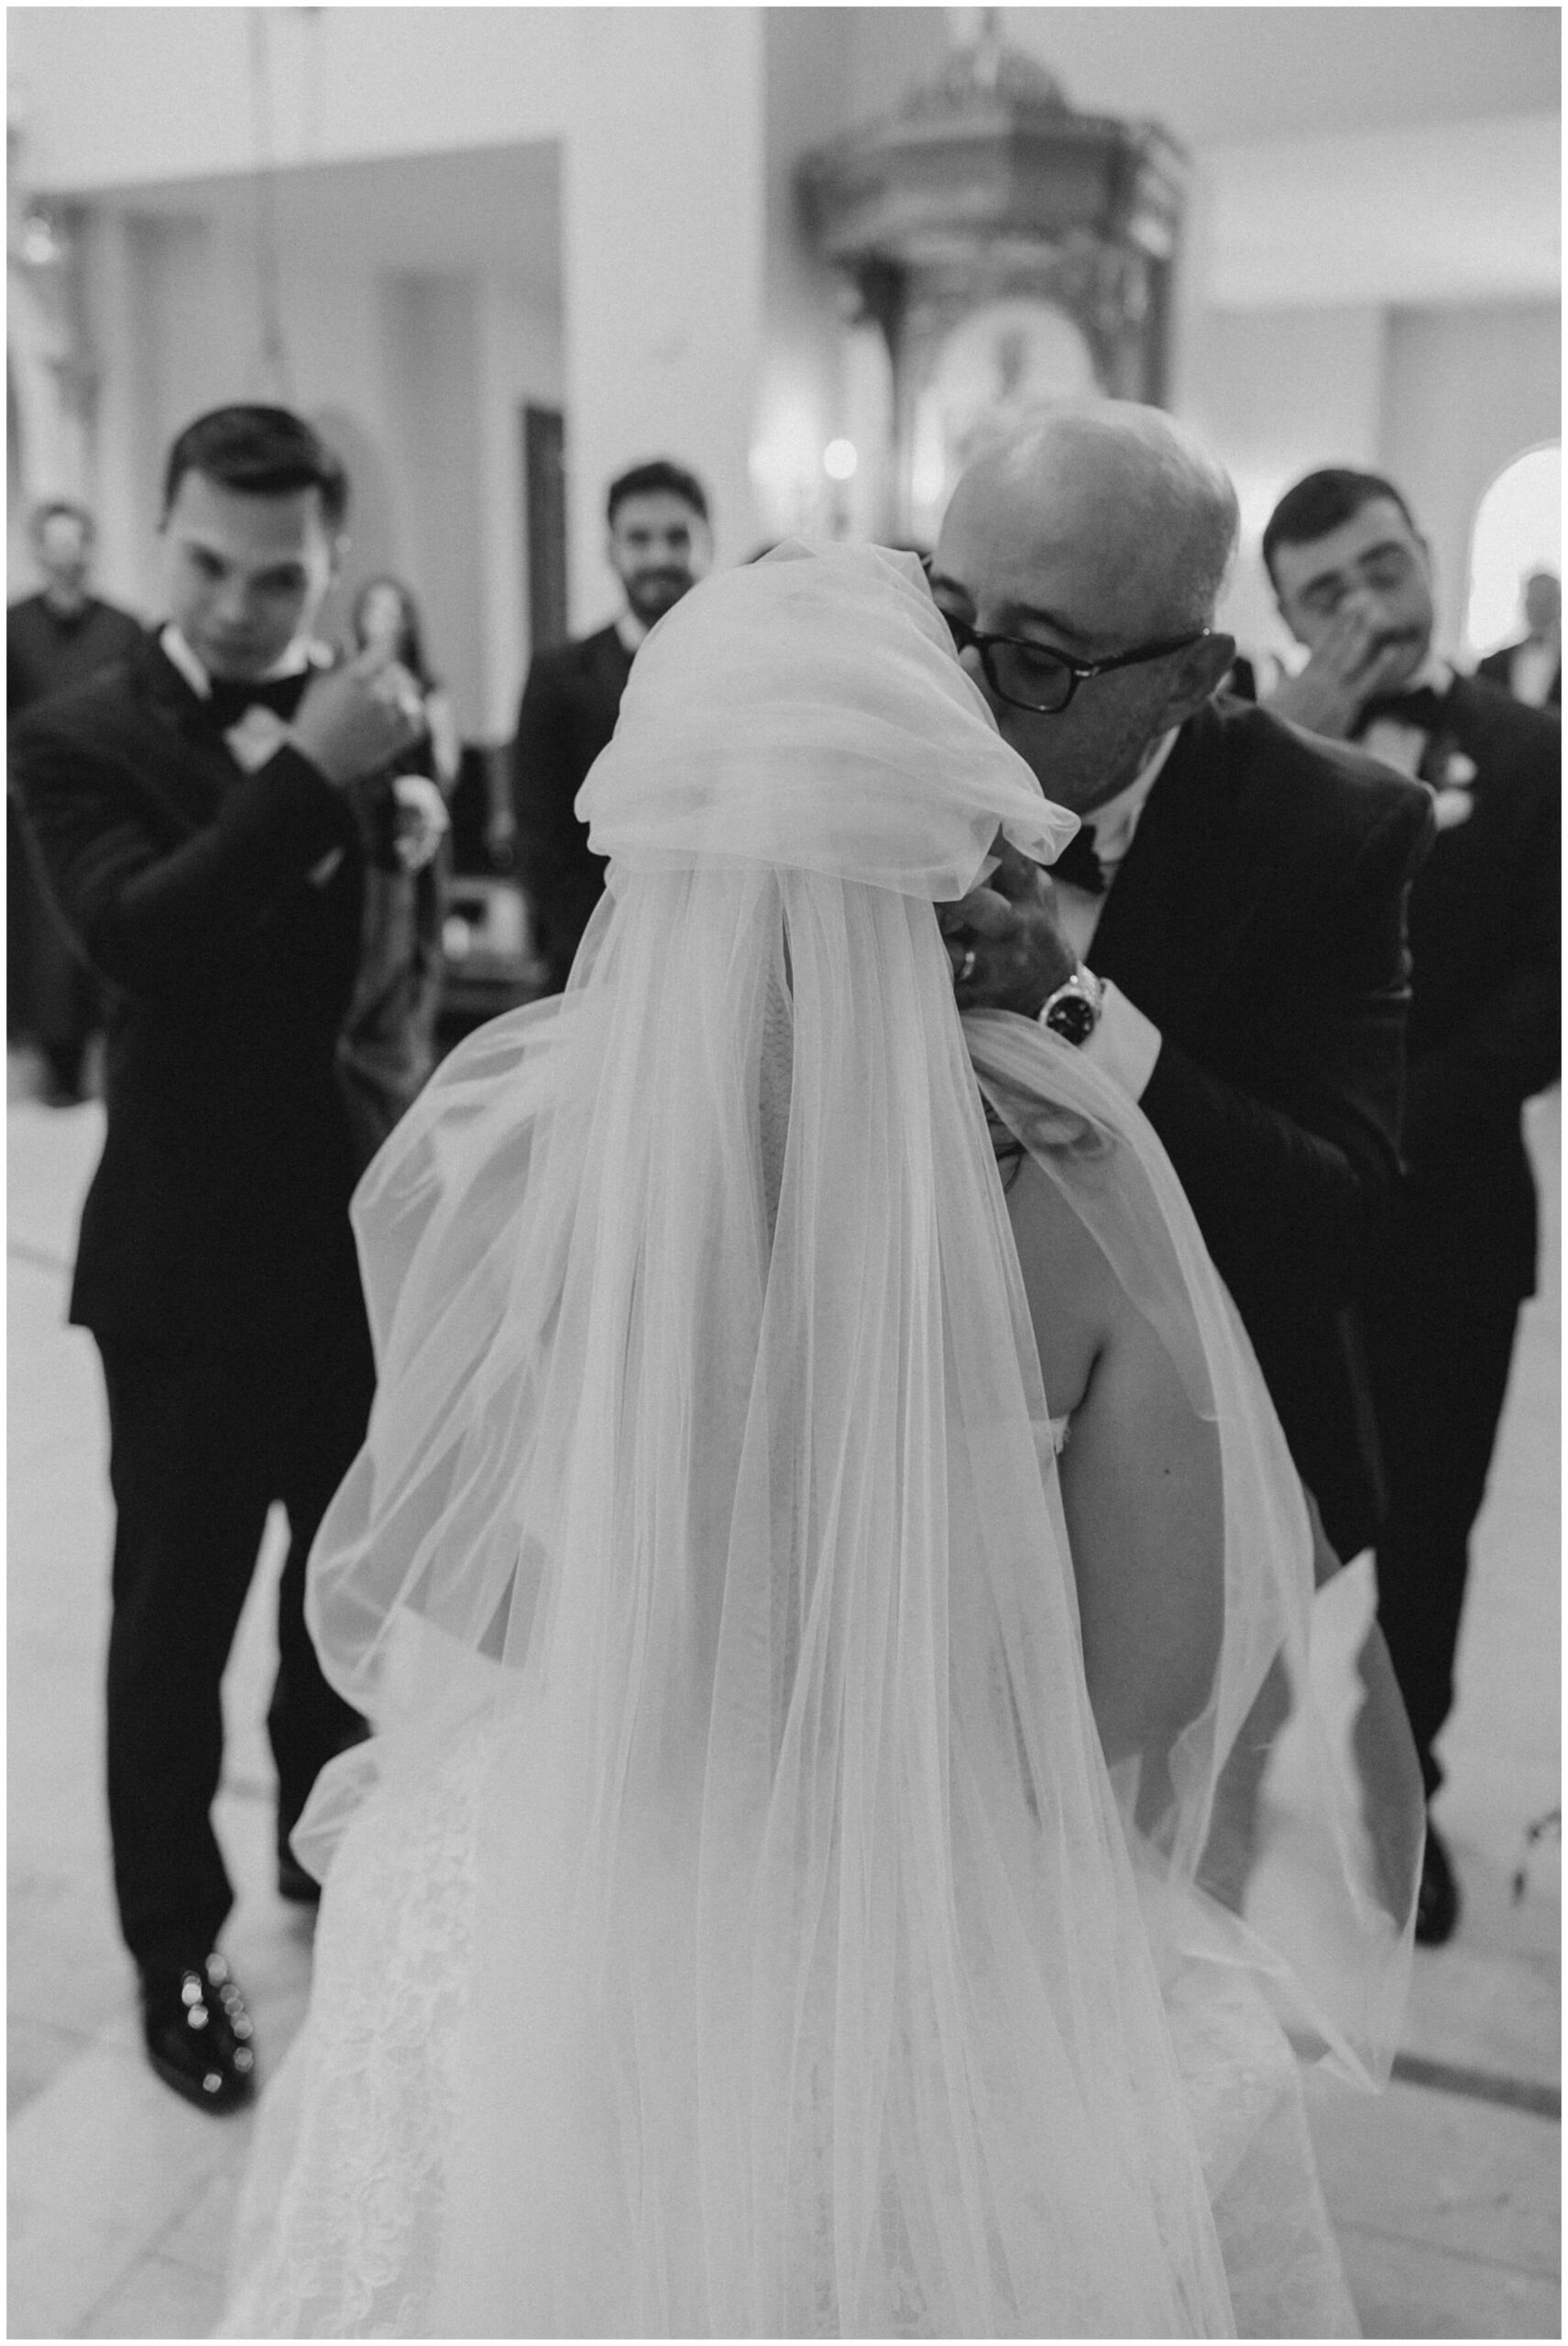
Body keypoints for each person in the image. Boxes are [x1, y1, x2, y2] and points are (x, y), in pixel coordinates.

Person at [222, 544, 1418, 2337]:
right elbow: (1154, 1676)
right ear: (948, 853)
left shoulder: (530, 1149)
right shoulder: (1075, 1182)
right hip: (940, 1915)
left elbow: (475, 1564)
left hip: (591, 1873)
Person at [9, 405, 446, 2114]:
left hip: (339, 1246)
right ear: (160, 534)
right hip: (181, 1269)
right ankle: (169, 1941)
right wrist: (311, 774)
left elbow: (339, 983)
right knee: (169, 1621)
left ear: (329, 561)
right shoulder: (69, 732)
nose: (248, 603)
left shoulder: (349, 716)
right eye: (210, 564)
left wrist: (389, 823)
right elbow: (141, 938)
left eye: (284, 574)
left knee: (334, 1598)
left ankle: (320, 1857)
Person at [927, 405, 1434, 1586]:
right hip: (921, 1454)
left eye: (1040, 662)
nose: (959, 686)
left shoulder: (1335, 831)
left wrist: (1070, 1007)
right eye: (945, 618)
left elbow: (1339, 1223)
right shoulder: (861, 766)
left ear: (1188, 678)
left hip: (1197, 1480)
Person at [1261, 466, 1561, 1944]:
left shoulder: (1532, 749)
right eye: (1325, 592)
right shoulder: (1251, 751)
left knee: (1428, 1535)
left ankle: (1398, 1789)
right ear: (1282, 619)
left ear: (1425, 552)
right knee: (1247, 1516)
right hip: (1273, 1218)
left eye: (1381, 564)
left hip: (1448, 1224)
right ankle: (1221, 1761)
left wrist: (1391, 1123)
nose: (1367, 605)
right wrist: (1285, 742)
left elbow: (1544, 997)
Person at [507, 456, 711, 989]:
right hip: (595, 965)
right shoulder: (557, 676)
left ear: (706, 544)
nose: (659, 556)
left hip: (716, 962)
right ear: (610, 550)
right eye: (638, 539)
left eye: (677, 536)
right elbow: (540, 840)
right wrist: (616, 948)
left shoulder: (739, 669)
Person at [7, 499, 142, 1102]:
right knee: (40, 939)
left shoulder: (123, 629)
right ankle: (46, 1068)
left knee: (105, 921)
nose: (65, 556)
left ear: (90, 549)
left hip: (108, 805)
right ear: (39, 551)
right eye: (53, 544)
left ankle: (107, 1062)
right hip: (30, 807)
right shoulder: (13, 627)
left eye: (76, 543)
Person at [349, 574, 462, 790]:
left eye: (391, 611)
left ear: (406, 622)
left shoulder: (429, 692)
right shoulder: (348, 688)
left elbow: (446, 768)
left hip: (419, 796)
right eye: (373, 609)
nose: (381, 619)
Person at [1477, 566, 1561, 708]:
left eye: (1547, 600)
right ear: (1525, 604)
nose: (1540, 607)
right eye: (1535, 600)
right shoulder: (1492, 666)